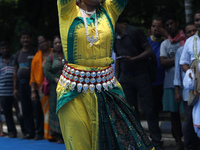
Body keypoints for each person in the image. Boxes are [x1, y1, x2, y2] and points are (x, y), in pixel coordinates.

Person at [57, 0, 154, 150]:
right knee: (79, 144)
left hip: (108, 90)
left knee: (114, 143)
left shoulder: (109, 10)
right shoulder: (67, 10)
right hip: (73, 92)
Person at [114, 17, 164, 150]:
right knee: (130, 111)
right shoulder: (114, 37)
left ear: (115, 22)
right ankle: (135, 143)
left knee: (149, 110)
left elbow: (149, 51)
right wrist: (116, 78)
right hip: (125, 77)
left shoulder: (135, 31)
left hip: (141, 75)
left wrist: (133, 59)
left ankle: (157, 143)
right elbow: (118, 58)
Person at [160, 13, 185, 150]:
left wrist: (174, 59)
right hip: (170, 83)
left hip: (187, 82)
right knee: (174, 115)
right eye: (167, 25)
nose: (170, 26)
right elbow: (162, 62)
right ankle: (178, 142)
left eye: (172, 23)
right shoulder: (165, 43)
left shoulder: (186, 40)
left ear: (177, 23)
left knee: (190, 114)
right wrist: (179, 57)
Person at [180, 10, 200, 149]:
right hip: (195, 88)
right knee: (193, 122)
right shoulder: (190, 41)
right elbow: (184, 62)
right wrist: (190, 75)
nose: (199, 22)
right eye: (197, 20)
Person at [13, 30, 38, 139]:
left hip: (33, 85)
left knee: (36, 109)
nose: (25, 40)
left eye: (27, 37)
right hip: (22, 86)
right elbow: (15, 70)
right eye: (23, 38)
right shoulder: (18, 53)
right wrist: (15, 87)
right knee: (25, 109)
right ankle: (29, 132)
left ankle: (39, 132)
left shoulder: (35, 52)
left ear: (31, 39)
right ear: (20, 40)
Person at [30, 35, 52, 140]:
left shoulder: (54, 53)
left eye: (44, 42)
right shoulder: (36, 57)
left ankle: (57, 134)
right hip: (42, 88)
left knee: (55, 110)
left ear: (48, 42)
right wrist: (33, 91)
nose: (43, 44)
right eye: (40, 43)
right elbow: (33, 76)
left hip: (55, 86)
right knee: (46, 111)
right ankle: (48, 134)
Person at [44, 36, 64, 143]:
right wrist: (55, 79)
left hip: (67, 87)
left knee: (65, 108)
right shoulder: (51, 57)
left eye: (59, 42)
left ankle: (67, 133)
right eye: (55, 43)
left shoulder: (68, 56)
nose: (58, 45)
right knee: (55, 109)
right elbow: (46, 72)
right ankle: (57, 134)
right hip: (54, 88)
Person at [147, 17, 167, 115]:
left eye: (159, 27)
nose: (155, 29)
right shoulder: (146, 42)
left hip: (165, 81)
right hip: (150, 81)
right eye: (153, 26)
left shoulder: (167, 42)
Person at [0, 41, 17, 138]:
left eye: (6, 48)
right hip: (3, 91)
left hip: (15, 90)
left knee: (20, 112)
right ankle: (12, 132)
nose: (5, 50)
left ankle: (26, 131)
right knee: (7, 113)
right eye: (3, 49)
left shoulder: (15, 58)